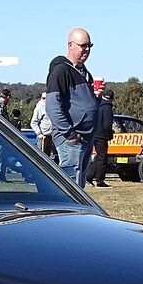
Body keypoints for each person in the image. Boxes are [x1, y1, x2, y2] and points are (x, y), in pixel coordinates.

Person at [45, 27, 98, 186]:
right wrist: (69, 134)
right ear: (70, 45)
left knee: (79, 187)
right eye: (83, 46)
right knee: (71, 186)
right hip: (72, 140)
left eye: (90, 46)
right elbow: (53, 106)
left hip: (86, 138)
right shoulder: (61, 71)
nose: (87, 50)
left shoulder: (84, 72)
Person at [87, 80, 114, 186]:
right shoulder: (108, 108)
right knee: (102, 158)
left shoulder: (97, 104)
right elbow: (107, 125)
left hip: (94, 133)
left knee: (98, 157)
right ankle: (100, 180)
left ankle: (89, 176)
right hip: (102, 136)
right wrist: (109, 134)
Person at [30, 93, 54, 158]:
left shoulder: (53, 107)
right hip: (43, 137)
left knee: (52, 157)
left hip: (52, 136)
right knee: (41, 157)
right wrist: (39, 133)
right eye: (43, 98)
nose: (45, 100)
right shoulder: (39, 108)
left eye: (47, 98)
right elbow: (33, 122)